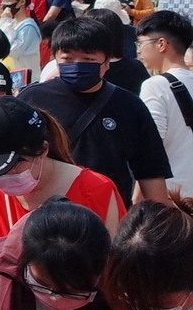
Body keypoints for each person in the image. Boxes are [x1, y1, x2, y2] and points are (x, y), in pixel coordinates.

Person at [0, 96, 122, 273]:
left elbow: (114, 276)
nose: (4, 175)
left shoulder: (96, 190)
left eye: (14, 165)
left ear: (43, 150)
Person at [19, 17, 171, 205]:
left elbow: (151, 172)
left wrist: (157, 223)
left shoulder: (130, 105)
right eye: (67, 58)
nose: (76, 65)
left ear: (107, 62)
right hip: (45, 216)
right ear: (55, 58)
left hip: (108, 214)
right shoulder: (32, 99)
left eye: (88, 59)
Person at [137, 11, 193, 191]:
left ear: (161, 44)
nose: (138, 50)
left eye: (141, 43)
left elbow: (150, 150)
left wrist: (136, 199)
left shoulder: (156, 85)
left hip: (173, 196)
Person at [0, 0, 43, 83]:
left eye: (7, 0)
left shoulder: (28, 27)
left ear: (21, 2)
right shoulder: (10, 23)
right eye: (3, 0)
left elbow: (11, 50)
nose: (4, 4)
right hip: (11, 78)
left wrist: (5, 21)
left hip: (27, 80)